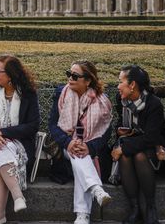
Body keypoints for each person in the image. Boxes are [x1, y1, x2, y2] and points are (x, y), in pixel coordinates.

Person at [48, 60, 114, 224]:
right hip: (66, 145)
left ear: (88, 80)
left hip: (91, 150)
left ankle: (82, 214)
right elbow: (52, 125)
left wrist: (89, 147)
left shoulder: (101, 101)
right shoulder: (61, 94)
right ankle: (95, 189)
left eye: (75, 76)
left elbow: (106, 132)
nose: (70, 78)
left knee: (81, 156)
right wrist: (68, 142)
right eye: (69, 74)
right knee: (77, 152)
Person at [0, 55, 41, 224]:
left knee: (0, 151)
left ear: (11, 75)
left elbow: (33, 126)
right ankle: (17, 195)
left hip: (21, 144)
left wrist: (2, 132)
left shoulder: (28, 94)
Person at [109, 65, 165, 224]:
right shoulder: (121, 100)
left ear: (132, 85)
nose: (118, 86)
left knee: (139, 156)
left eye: (121, 81)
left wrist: (123, 147)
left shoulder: (153, 103)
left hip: (153, 146)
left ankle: (150, 207)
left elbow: (152, 137)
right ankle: (134, 208)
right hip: (131, 140)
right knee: (127, 156)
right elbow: (121, 124)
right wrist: (121, 131)